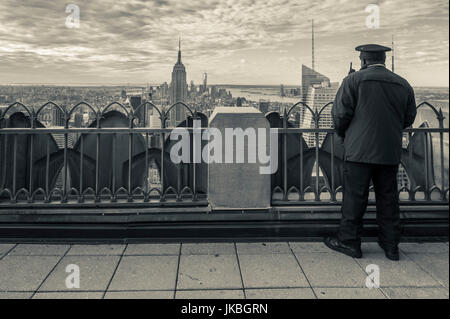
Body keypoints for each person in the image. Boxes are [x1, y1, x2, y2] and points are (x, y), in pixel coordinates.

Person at [324, 44, 417, 260]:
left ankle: (349, 242)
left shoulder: (353, 81)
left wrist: (344, 134)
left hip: (359, 151)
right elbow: (409, 117)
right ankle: (391, 245)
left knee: (355, 198)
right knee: (388, 198)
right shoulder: (403, 84)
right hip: (389, 151)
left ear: (363, 60)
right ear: (383, 60)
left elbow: (339, 114)